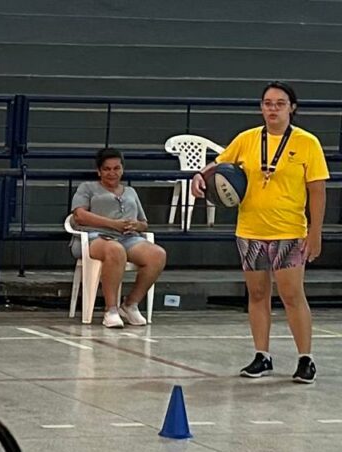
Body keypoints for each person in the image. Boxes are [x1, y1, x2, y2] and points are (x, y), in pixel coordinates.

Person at [191, 81, 328, 383]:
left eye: (280, 103)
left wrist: (315, 232)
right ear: (260, 107)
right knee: (256, 293)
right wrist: (201, 175)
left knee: (292, 295)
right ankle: (261, 355)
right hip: (250, 230)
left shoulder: (307, 143)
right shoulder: (247, 139)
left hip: (289, 231)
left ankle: (306, 358)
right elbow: (220, 163)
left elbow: (317, 191)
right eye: (267, 103)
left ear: (292, 107)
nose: (273, 108)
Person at [70, 148, 167, 328]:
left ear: (122, 169)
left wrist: (137, 226)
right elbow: (79, 216)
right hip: (94, 237)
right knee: (115, 249)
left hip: (128, 237)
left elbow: (144, 223)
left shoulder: (130, 191)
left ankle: (130, 304)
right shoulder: (87, 188)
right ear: (99, 171)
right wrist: (112, 224)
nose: (112, 173)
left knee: (158, 254)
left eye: (116, 168)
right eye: (107, 169)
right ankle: (111, 310)